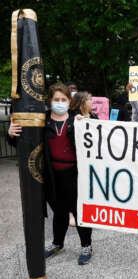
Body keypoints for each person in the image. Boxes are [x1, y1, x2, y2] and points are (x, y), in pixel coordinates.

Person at [8, 83, 94, 265]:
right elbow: (26, 145)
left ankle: (86, 245)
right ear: (50, 101)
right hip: (52, 176)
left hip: (75, 174)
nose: (60, 103)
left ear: (69, 101)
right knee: (59, 212)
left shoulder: (77, 120)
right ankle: (57, 243)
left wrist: (86, 124)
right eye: (57, 99)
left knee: (80, 213)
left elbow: (96, 142)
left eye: (64, 100)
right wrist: (12, 135)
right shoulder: (41, 120)